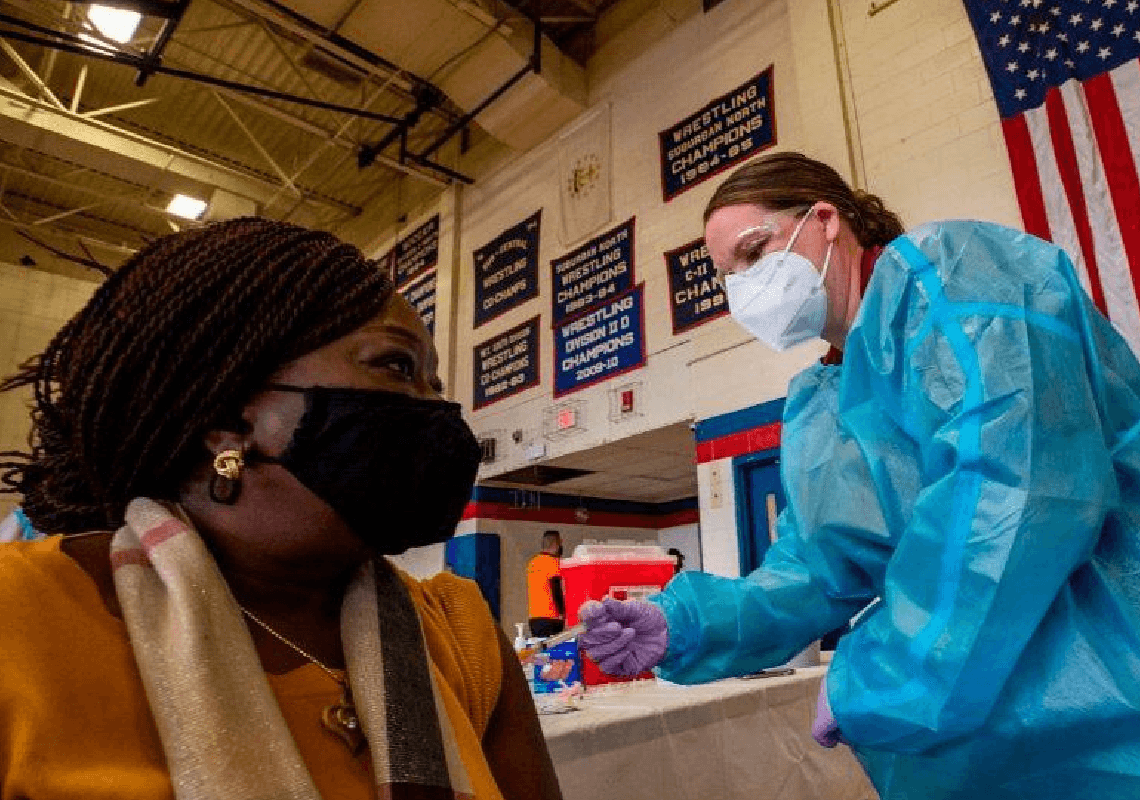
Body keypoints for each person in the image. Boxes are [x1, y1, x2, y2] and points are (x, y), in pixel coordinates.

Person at [578, 152, 1140, 799]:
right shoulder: (827, 406)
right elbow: (813, 573)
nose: (744, 288)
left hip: (1108, 699)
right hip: (970, 752)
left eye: (755, 252)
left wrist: (887, 676)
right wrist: (687, 622)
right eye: (727, 275)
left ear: (825, 220)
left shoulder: (954, 277)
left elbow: (1018, 489)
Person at [0, 218, 562, 800]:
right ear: (227, 422)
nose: (436, 411)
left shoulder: (461, 634)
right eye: (397, 368)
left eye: (435, 385)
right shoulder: (20, 622)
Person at [525, 530, 565, 637]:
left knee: (541, 652)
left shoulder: (533, 562)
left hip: (534, 618)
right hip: (551, 618)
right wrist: (562, 613)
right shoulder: (553, 562)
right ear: (556, 544)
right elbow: (556, 588)